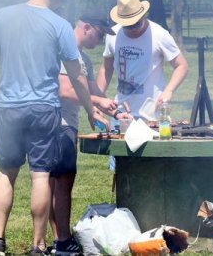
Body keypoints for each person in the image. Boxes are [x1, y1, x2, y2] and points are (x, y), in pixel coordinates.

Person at [0, 0, 108, 256]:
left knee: (6, 172)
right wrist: (90, 108)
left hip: (9, 106)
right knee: (40, 177)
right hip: (43, 108)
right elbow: (75, 75)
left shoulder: (3, 15)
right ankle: (38, 245)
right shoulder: (59, 24)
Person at [49, 13, 132, 255]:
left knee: (63, 180)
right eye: (99, 33)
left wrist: (117, 112)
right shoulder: (65, 54)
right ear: (86, 27)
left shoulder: (83, 59)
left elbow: (95, 92)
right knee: (59, 180)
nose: (101, 39)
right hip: (58, 122)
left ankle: (59, 237)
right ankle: (61, 240)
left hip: (69, 123)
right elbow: (64, 91)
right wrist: (95, 101)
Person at [98, 0, 188, 118]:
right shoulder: (113, 35)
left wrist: (169, 91)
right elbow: (106, 68)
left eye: (136, 24)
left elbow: (181, 65)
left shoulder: (160, 34)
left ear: (144, 15)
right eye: (128, 26)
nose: (133, 29)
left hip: (152, 113)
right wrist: (97, 98)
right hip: (121, 113)